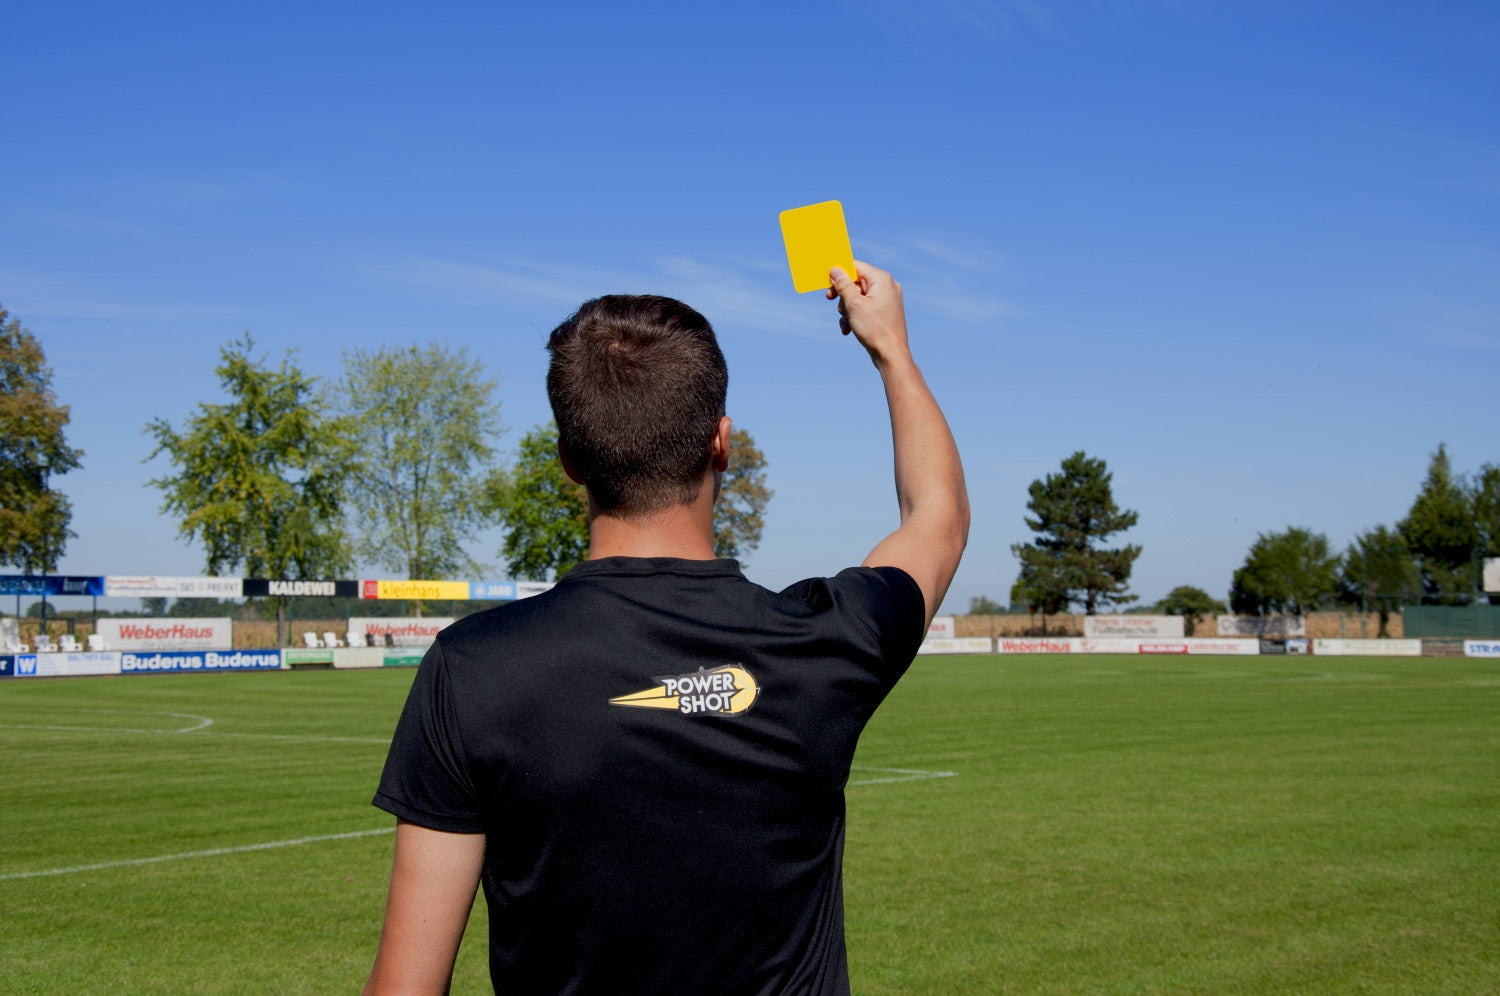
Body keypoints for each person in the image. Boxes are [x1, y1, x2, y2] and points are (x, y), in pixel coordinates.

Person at [363, 261, 968, 994]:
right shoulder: (820, 641)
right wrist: (891, 349)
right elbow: (937, 519)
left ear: (568, 463)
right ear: (722, 443)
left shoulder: (472, 669)